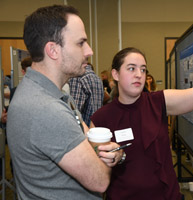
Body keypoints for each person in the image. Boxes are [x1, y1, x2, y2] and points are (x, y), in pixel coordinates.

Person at [90, 44, 193, 199]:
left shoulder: (158, 102)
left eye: (143, 69)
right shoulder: (100, 118)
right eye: (131, 68)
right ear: (116, 74)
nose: (139, 74)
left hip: (166, 196)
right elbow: (96, 174)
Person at [7, 5, 123, 199]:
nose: (89, 51)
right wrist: (108, 159)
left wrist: (107, 153)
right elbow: (100, 180)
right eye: (80, 43)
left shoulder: (46, 92)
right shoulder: (46, 109)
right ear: (53, 50)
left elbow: (88, 139)